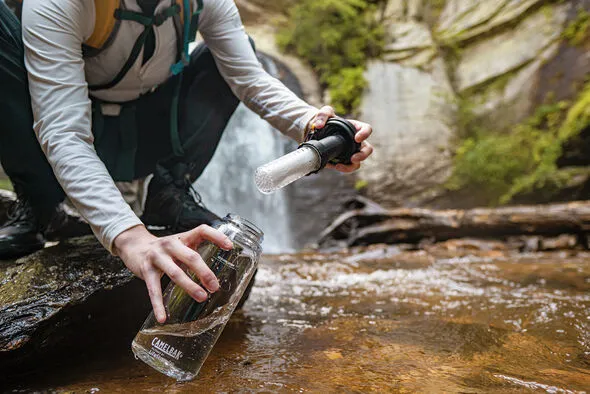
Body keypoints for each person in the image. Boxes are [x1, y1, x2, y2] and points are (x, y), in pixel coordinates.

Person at [0, 0, 374, 322]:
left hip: (152, 131)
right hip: (57, 139)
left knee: (231, 51)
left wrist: (314, 126)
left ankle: (170, 194)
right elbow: (63, 132)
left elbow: (249, 78)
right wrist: (130, 238)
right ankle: (40, 204)